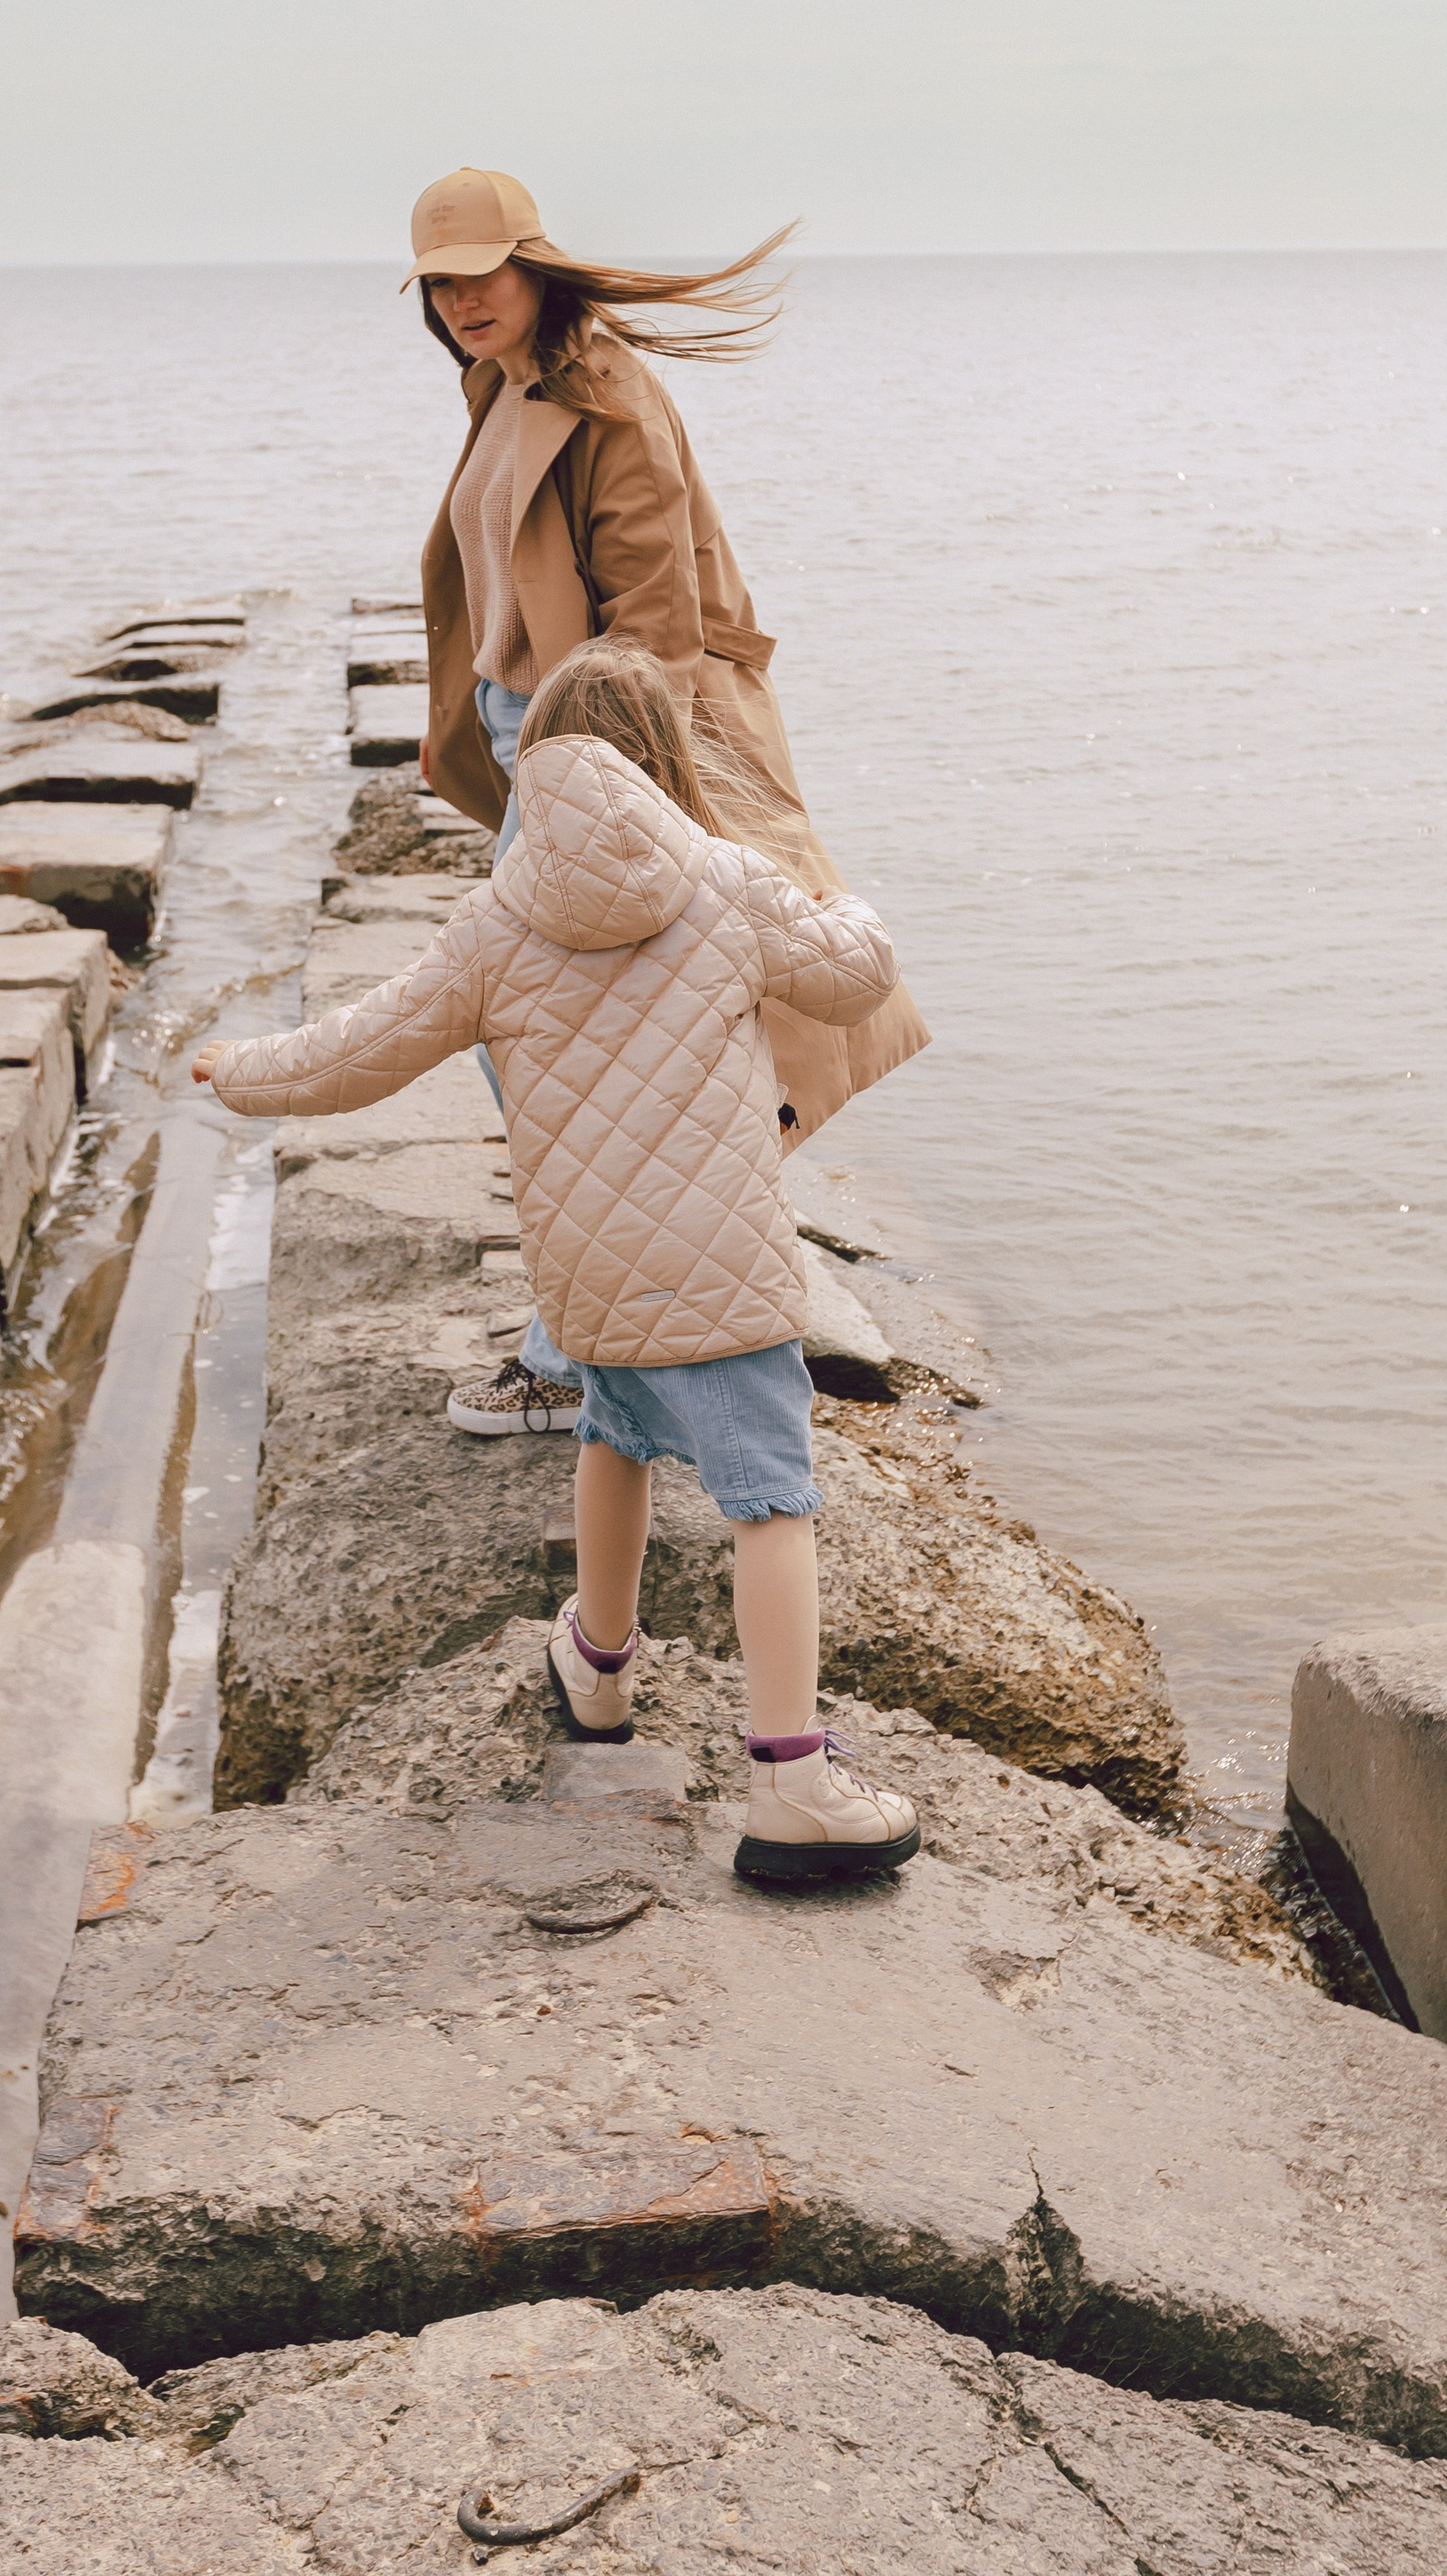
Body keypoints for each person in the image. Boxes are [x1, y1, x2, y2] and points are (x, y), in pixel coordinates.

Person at [195, 640, 921, 1884]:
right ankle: (792, 1780)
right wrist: (847, 901)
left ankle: (596, 1664)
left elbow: (357, 1050)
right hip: (720, 1255)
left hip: (587, 1266)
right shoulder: (726, 882)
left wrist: (239, 1071)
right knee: (771, 1499)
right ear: (664, 763)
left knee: (616, 1430)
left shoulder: (495, 920)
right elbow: (857, 978)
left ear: (532, 771)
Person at [400, 165, 929, 1442]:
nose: (467, 298)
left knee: (537, 1036)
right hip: (528, 729)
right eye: (442, 281)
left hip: (594, 738)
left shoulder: (604, 392)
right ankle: (628, 1302)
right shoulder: (507, 380)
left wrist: (612, 783)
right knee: (563, 1039)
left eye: (486, 271)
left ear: (536, 263)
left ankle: (582, 1343)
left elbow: (659, 622)